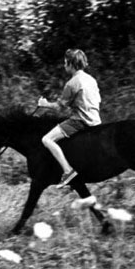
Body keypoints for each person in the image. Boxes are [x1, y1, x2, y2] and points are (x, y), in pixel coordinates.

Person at [38, 49, 102, 188]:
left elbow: (60, 106)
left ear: (71, 64)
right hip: (96, 121)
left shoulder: (72, 83)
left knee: (47, 139)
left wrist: (45, 104)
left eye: (65, 62)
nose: (64, 65)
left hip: (80, 121)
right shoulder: (92, 79)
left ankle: (68, 171)